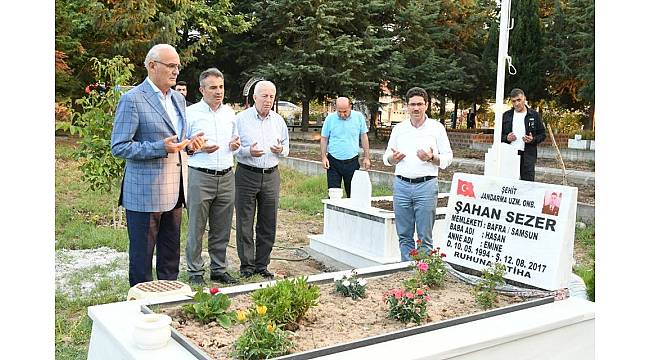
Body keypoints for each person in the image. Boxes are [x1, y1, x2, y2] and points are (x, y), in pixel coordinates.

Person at [111, 44, 205, 286]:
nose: (176, 71)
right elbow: (119, 146)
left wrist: (190, 146)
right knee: (142, 262)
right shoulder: (132, 100)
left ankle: (167, 302)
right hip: (144, 195)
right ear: (152, 66)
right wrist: (158, 148)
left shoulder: (178, 99)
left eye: (177, 66)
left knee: (170, 258)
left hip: (175, 191)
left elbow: (176, 143)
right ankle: (141, 311)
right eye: (171, 66)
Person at [382, 87, 453, 261]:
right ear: (407, 106)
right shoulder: (399, 129)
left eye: (420, 104)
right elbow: (386, 157)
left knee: (424, 236)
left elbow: (448, 158)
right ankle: (407, 271)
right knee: (404, 235)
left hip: (426, 186)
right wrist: (393, 158)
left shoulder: (436, 128)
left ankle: (423, 273)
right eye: (412, 104)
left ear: (426, 105)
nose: (416, 108)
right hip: (402, 185)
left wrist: (431, 158)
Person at [185, 68, 241, 285]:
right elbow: (183, 147)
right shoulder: (191, 114)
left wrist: (235, 146)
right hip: (200, 176)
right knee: (196, 227)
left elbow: (234, 143)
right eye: (213, 88)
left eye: (221, 87)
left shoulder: (229, 113)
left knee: (222, 227)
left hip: (227, 175)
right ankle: (195, 271)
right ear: (201, 89)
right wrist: (199, 149)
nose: (218, 92)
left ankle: (218, 269)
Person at [235, 81, 289, 279]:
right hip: (246, 173)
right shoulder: (240, 119)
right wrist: (247, 151)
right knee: (245, 221)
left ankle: (262, 264)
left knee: (268, 222)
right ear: (254, 97)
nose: (268, 100)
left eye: (271, 96)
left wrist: (280, 150)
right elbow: (232, 148)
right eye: (264, 96)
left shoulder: (278, 121)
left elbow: (287, 149)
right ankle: (247, 265)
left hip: (271, 174)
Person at [320, 97, 371, 198]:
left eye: (345, 111)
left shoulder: (359, 117)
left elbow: (364, 137)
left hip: (352, 161)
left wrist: (366, 157)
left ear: (350, 107)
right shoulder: (330, 119)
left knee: (353, 194)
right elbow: (324, 138)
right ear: (335, 108)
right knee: (333, 195)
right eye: (339, 112)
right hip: (333, 162)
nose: (342, 114)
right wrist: (323, 157)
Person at [501, 88, 547, 181]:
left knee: (527, 185)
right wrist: (507, 138)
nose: (517, 103)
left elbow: (542, 134)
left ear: (524, 99)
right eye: (514, 101)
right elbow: (498, 135)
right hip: (510, 155)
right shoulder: (506, 115)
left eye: (519, 100)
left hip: (528, 156)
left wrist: (532, 139)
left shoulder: (534, 115)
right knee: (509, 183)